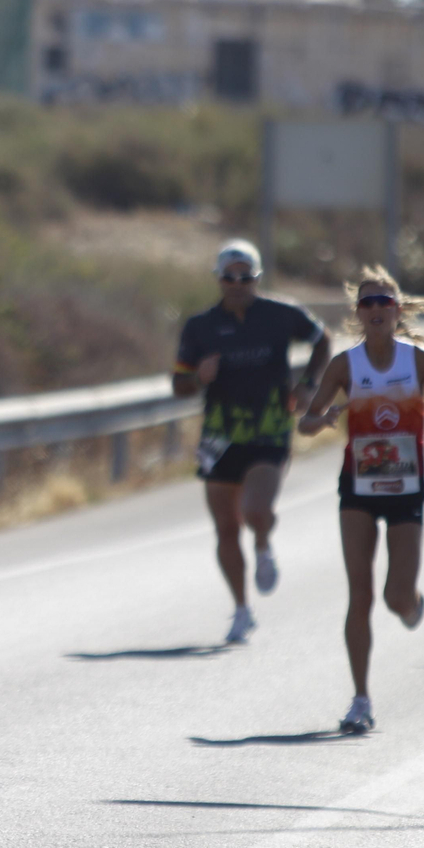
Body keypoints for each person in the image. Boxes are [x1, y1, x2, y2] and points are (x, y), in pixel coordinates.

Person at [299, 266, 424, 733]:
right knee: (360, 593)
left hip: (406, 487)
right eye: (367, 303)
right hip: (358, 487)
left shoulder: (417, 361)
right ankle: (360, 699)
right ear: (359, 313)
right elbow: (304, 423)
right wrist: (325, 417)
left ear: (397, 311)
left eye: (384, 303)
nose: (376, 310)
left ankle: (412, 603)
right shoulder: (344, 365)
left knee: (396, 597)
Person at [173, 239, 332, 643]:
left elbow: (322, 339)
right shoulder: (200, 326)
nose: (237, 283)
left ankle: (263, 545)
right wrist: (197, 378)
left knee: (255, 509)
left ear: (257, 278)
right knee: (225, 527)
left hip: (269, 428)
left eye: (246, 276)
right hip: (220, 434)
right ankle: (242, 610)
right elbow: (179, 385)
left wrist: (310, 384)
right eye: (229, 276)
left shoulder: (280, 314)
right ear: (219, 279)